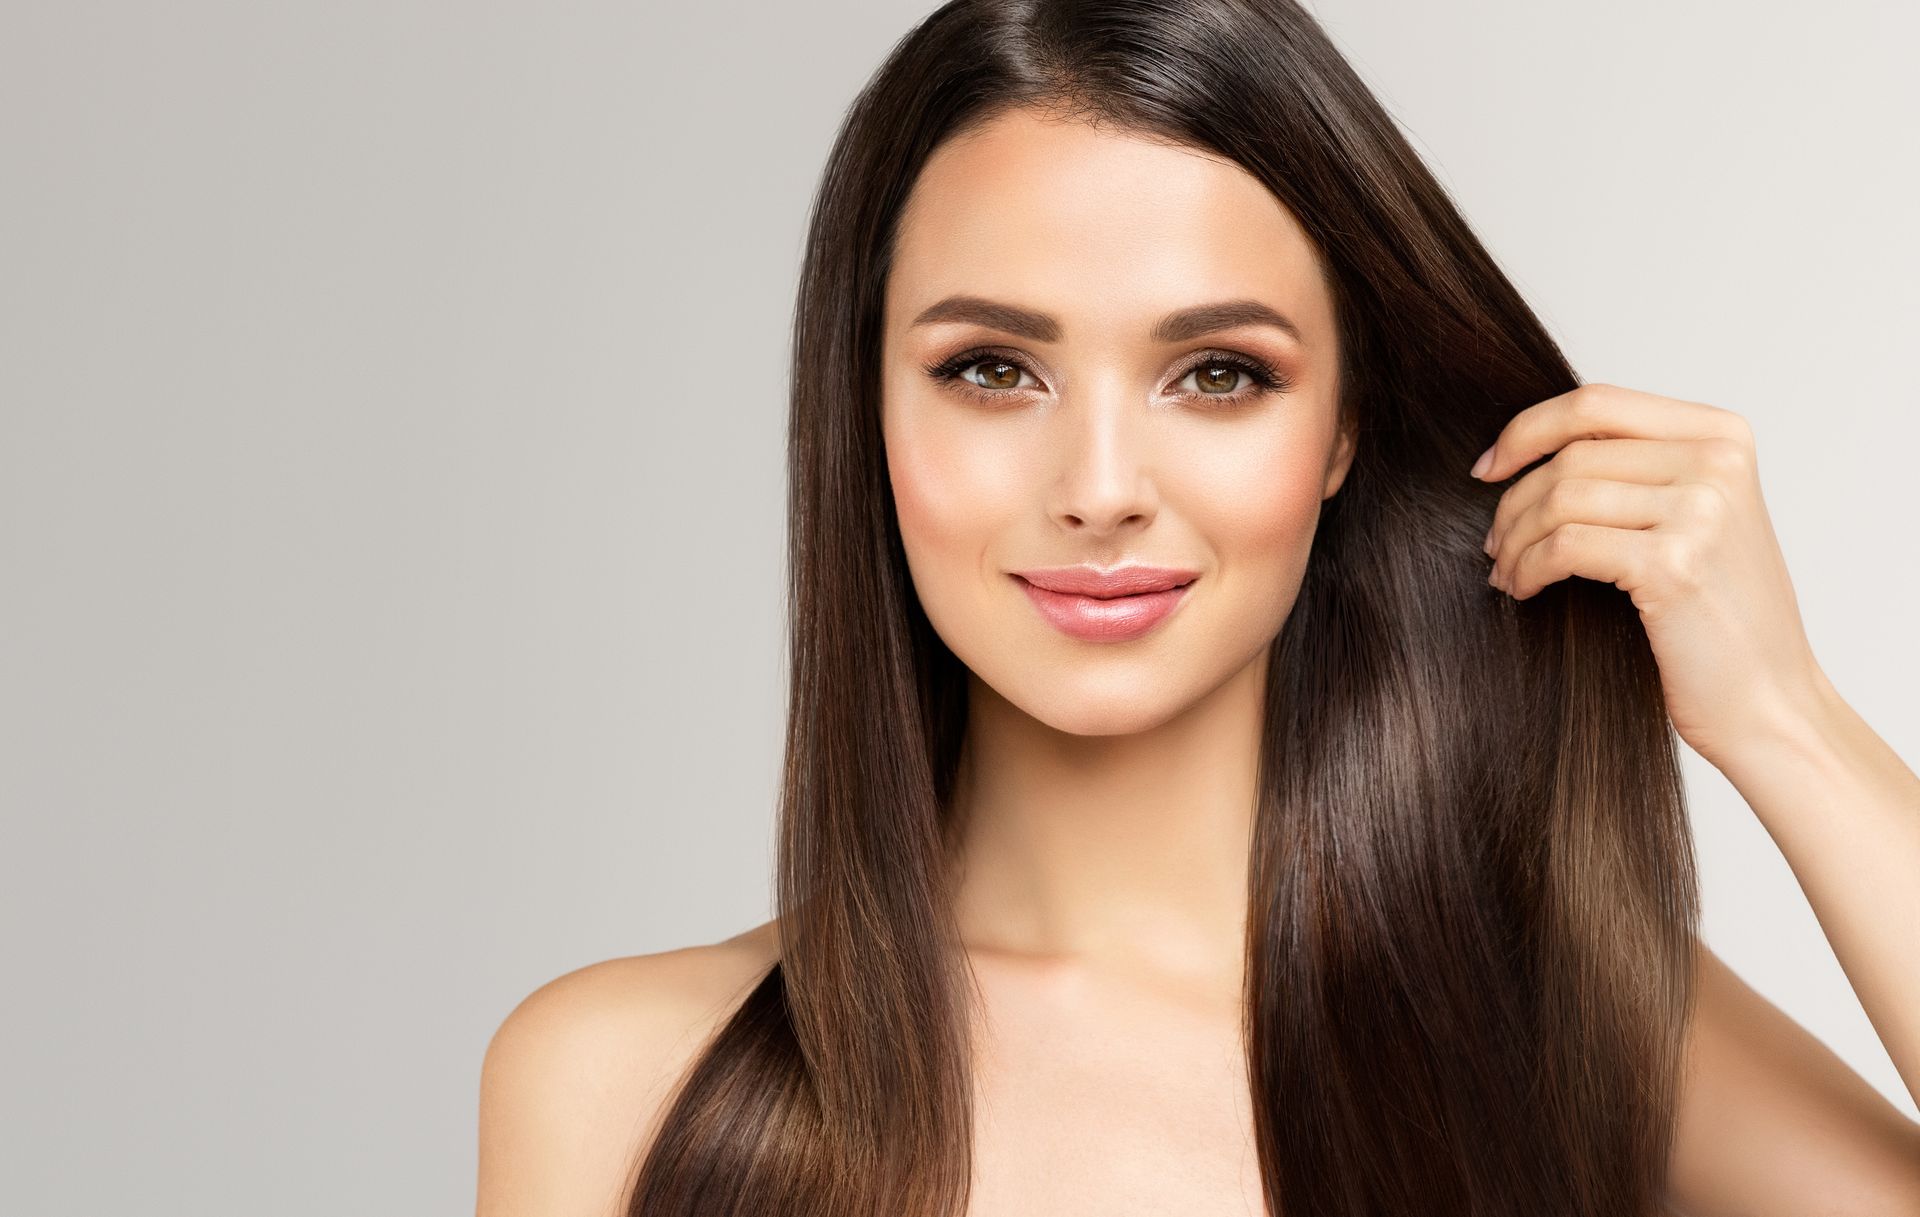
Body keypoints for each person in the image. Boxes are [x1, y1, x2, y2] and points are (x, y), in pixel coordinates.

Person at [476, 2, 1920, 1214]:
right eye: (991, 367)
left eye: (1219, 372)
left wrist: (1784, 718)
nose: (1101, 487)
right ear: (867, 409)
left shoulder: (1561, 1017)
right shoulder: (621, 1084)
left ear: (1346, 426)